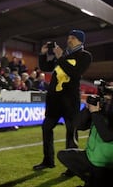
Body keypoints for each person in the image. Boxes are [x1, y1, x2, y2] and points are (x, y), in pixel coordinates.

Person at [33, 30, 93, 176]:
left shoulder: (85, 56)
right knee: (46, 128)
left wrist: (60, 58)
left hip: (70, 100)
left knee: (71, 133)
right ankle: (48, 160)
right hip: (54, 99)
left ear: (80, 40)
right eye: (68, 37)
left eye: (72, 38)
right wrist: (42, 54)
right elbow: (46, 68)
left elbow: (75, 72)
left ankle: (72, 167)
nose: (69, 40)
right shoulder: (64, 53)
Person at [57, 92, 113, 187]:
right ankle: (91, 179)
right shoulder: (102, 110)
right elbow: (78, 125)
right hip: (91, 158)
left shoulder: (101, 114)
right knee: (64, 156)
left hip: (107, 163)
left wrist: (95, 113)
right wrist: (88, 108)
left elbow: (107, 136)